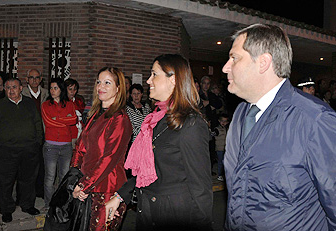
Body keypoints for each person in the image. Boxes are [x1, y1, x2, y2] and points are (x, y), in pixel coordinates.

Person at [222, 23, 336, 230]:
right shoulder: (240, 113)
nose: (225, 67)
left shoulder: (315, 119)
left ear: (263, 62)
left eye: (234, 58)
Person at [105, 54, 213, 231]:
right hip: (148, 212)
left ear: (173, 80)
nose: (149, 81)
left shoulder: (191, 123)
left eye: (154, 74)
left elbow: (201, 187)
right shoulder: (156, 118)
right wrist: (119, 196)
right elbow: (146, 172)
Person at [70, 67, 132, 230]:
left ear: (118, 89)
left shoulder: (120, 119)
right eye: (99, 82)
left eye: (107, 82)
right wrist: (74, 177)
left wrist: (83, 185)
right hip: (88, 187)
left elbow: (108, 159)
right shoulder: (96, 114)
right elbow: (80, 147)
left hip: (108, 190)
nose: (100, 87)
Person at [0, 78, 43, 223]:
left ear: (21, 88)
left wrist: (38, 141)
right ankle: (7, 209)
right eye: (8, 88)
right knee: (5, 182)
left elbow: (37, 122)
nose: (11, 90)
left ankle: (27, 205)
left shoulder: (29, 103)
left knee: (28, 180)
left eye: (14, 87)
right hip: (7, 151)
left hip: (29, 149)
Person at [41, 78, 77, 209]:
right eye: (51, 88)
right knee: (50, 178)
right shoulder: (45, 105)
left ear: (61, 89)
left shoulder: (70, 105)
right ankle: (49, 204)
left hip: (66, 146)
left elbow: (73, 119)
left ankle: (62, 203)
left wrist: (59, 119)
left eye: (55, 88)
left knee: (64, 177)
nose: (52, 91)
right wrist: (65, 121)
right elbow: (49, 123)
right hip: (51, 146)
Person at [22, 69, 49, 199]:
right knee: (26, 166)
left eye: (37, 77)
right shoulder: (22, 93)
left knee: (42, 164)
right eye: (31, 77)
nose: (34, 80)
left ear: (40, 79)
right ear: (27, 79)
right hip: (27, 133)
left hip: (43, 132)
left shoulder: (46, 93)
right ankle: (24, 194)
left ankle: (40, 190)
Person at [64, 78, 85, 146]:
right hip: (67, 135)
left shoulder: (79, 101)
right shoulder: (62, 102)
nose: (72, 92)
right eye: (70, 89)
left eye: (75, 89)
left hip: (80, 133)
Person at [212, 113, 230, 181]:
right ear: (219, 121)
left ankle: (224, 174)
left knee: (225, 162)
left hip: (226, 148)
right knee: (220, 162)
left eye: (225, 121)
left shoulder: (227, 129)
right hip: (219, 148)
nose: (223, 122)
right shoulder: (217, 129)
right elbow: (212, 134)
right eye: (222, 121)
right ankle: (219, 175)